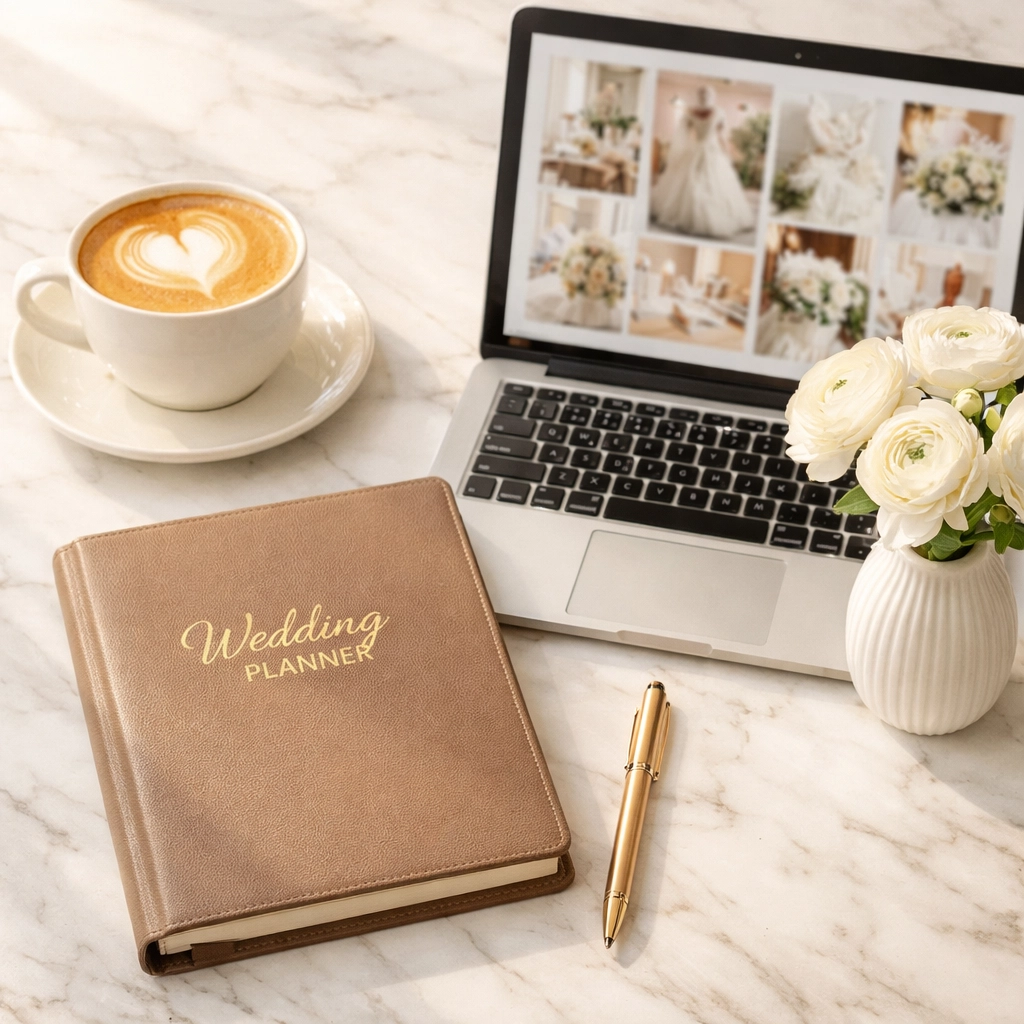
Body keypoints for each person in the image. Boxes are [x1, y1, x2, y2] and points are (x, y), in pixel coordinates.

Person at [650, 85, 755, 240]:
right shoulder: (699, 112)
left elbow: (720, 136)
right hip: (701, 149)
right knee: (694, 181)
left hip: (708, 150)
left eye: (706, 93)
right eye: (703, 93)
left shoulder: (709, 112)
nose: (704, 96)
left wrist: (726, 153)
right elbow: (689, 135)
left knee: (712, 183)